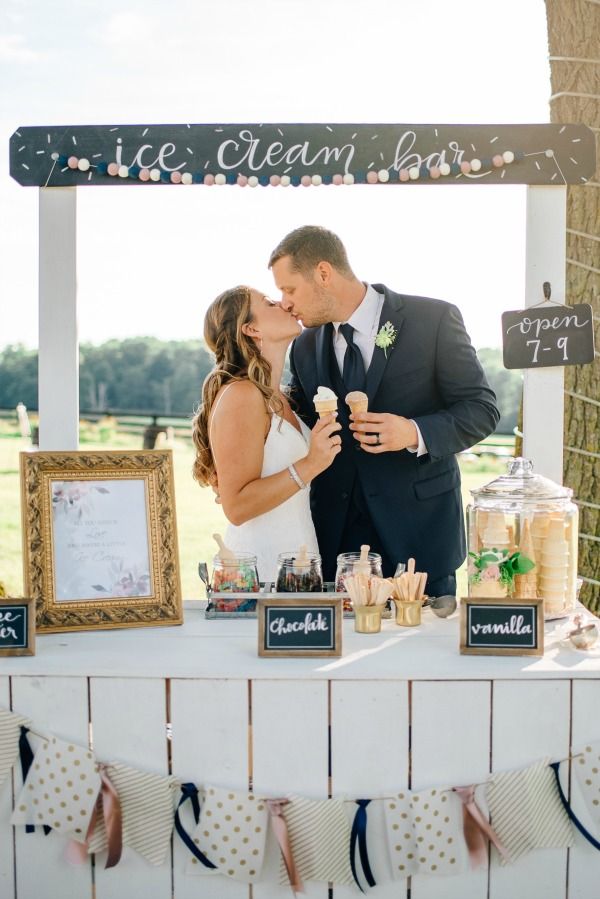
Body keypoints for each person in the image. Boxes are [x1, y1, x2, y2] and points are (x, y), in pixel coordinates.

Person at [268, 226, 500, 596]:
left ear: (323, 274)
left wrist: (413, 432)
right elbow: (300, 423)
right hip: (335, 540)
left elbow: (482, 409)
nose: (284, 303)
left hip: (420, 537)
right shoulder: (305, 346)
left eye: (289, 289)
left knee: (424, 651)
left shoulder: (433, 320)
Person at [191, 285, 341, 582]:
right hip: (260, 569)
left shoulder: (281, 398)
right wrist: (311, 464)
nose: (285, 305)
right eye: (270, 303)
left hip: (298, 564)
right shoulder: (241, 395)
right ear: (251, 329)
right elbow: (237, 507)